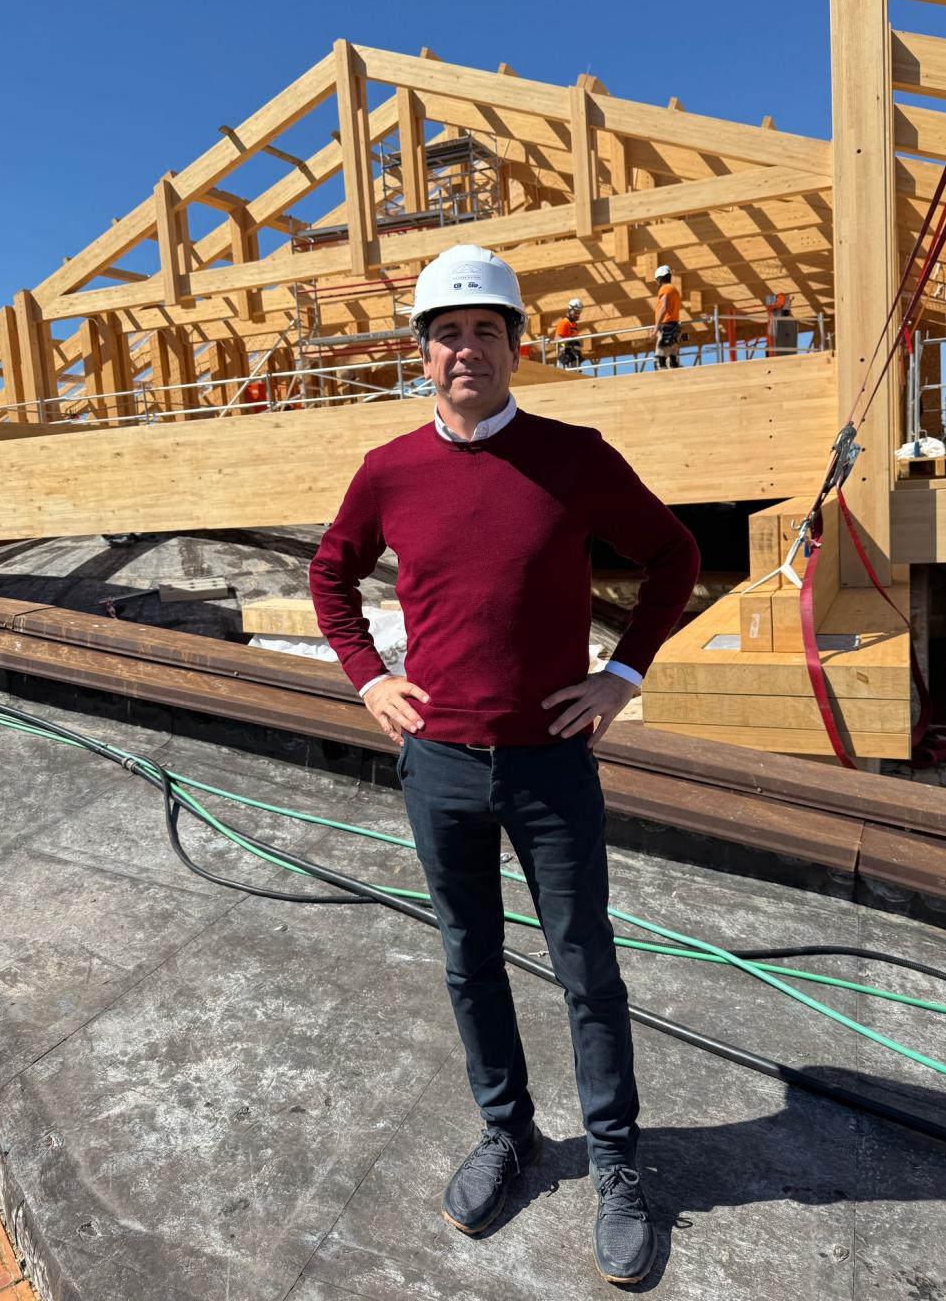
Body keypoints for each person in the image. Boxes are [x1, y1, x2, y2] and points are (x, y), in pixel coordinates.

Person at [309, 244, 699, 1286]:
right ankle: (507, 1130)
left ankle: (615, 1161)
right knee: (467, 957)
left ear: (516, 348)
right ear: (422, 353)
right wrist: (369, 678)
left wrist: (621, 673)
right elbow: (330, 574)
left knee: (586, 967)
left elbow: (674, 556)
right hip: (439, 763)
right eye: (448, 332)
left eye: (487, 329)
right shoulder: (389, 470)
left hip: (550, 766)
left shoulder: (575, 456)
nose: (466, 349)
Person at [652, 265, 681, 369]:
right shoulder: (674, 290)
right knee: (672, 362)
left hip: (667, 328)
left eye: (657, 280)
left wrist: (656, 328)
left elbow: (664, 308)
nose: (657, 282)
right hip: (675, 327)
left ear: (660, 278)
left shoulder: (664, 289)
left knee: (659, 362)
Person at [554, 296, 585, 370]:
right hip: (566, 359)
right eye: (576, 312)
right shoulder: (564, 323)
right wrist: (568, 345)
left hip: (574, 358)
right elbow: (557, 339)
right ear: (569, 310)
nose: (577, 315)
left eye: (579, 313)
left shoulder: (573, 325)